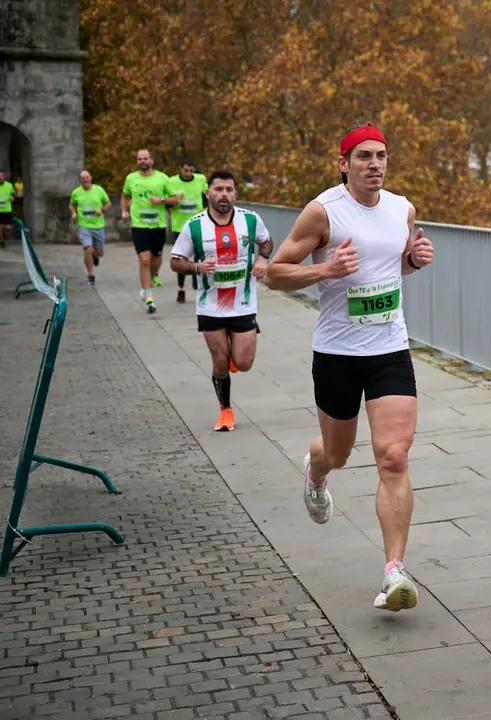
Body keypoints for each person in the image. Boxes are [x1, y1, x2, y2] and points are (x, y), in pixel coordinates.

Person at [267, 124, 434, 612]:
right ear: (344, 163)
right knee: (338, 453)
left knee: (394, 456)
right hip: (338, 353)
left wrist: (414, 261)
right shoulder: (323, 212)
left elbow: (391, 265)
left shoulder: (402, 208)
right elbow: (276, 273)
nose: (375, 164)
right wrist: (325, 271)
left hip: (389, 348)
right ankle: (316, 471)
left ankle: (394, 572)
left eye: (382, 156)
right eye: (364, 156)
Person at [169, 170, 271, 432]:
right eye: (219, 190)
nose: (224, 194)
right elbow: (175, 261)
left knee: (245, 363)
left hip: (243, 303)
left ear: (235, 193)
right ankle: (225, 411)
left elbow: (266, 241)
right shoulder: (194, 225)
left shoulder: (251, 219)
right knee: (219, 360)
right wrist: (197, 267)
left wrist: (263, 259)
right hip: (210, 305)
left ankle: (236, 356)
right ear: (208, 193)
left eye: (229, 189)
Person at [121, 149, 171, 313]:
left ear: (151, 160)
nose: (142, 161)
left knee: (156, 260)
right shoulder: (131, 178)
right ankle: (148, 297)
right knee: (144, 260)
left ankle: (148, 281)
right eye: (139, 159)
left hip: (158, 225)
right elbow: (124, 195)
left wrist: (162, 200)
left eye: (145, 158)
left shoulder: (162, 178)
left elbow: (176, 198)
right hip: (139, 225)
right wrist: (124, 211)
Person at [166, 159, 209, 305]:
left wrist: (205, 208)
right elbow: (166, 203)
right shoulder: (171, 181)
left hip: (198, 224)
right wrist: (174, 200)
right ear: (180, 169)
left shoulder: (201, 179)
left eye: (191, 171)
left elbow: (206, 196)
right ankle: (181, 289)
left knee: (199, 256)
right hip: (179, 226)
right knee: (180, 259)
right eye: (186, 171)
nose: (189, 173)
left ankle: (197, 286)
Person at [69, 170, 112, 285]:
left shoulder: (99, 190)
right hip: (84, 225)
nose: (85, 179)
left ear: (91, 178)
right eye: (83, 178)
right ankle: (91, 275)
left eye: (87, 177)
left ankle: (95, 256)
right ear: (80, 181)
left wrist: (101, 210)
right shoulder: (76, 192)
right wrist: (73, 213)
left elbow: (108, 203)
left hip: (98, 225)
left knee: (100, 252)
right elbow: (72, 204)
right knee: (87, 249)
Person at [0, 171, 13, 248]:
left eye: (1, 176)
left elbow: (13, 194)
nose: (0, 178)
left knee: (8, 228)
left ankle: (2, 233)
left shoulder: (9, 185)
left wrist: (12, 198)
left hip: (7, 210)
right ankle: (2, 241)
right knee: (0, 227)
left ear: (3, 177)